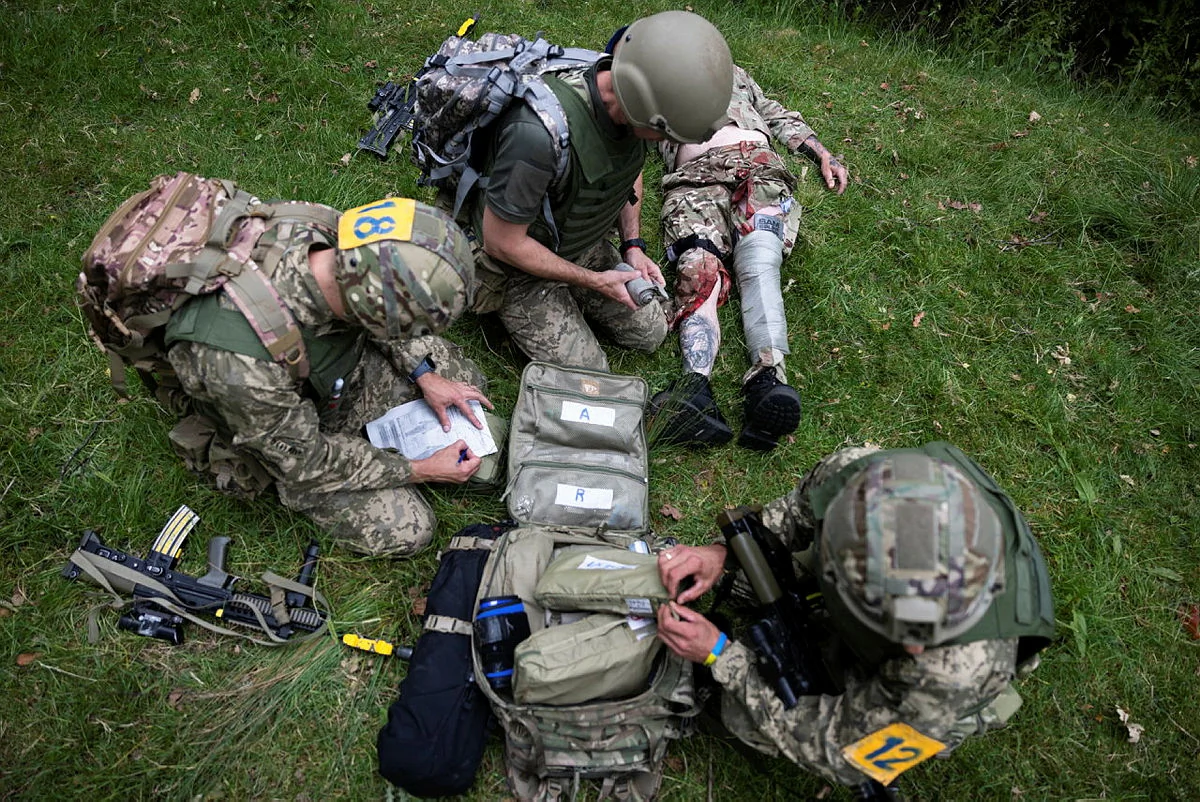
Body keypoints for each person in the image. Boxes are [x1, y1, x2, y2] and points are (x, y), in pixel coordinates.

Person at [654, 443, 1055, 796]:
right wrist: (722, 555)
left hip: (944, 694)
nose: (915, 646)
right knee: (756, 575)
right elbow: (795, 514)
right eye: (903, 626)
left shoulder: (950, 675)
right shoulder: (859, 477)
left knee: (746, 719)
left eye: (925, 633)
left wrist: (723, 657)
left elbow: (840, 752)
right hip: (854, 579)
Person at [163, 197, 493, 557]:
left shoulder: (331, 235)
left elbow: (375, 307)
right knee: (409, 528)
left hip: (328, 369)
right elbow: (307, 462)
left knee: (462, 379)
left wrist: (423, 374)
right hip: (287, 435)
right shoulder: (242, 364)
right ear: (372, 308)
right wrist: (421, 469)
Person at [461, 10, 734, 371]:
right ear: (643, 108)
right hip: (517, 267)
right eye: (665, 134)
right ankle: (509, 307)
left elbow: (628, 166)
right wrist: (594, 282)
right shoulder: (537, 135)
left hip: (578, 239)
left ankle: (574, 286)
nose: (666, 143)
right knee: (593, 374)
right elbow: (502, 242)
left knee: (651, 332)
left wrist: (632, 246)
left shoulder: (629, 106)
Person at [647, 64, 850, 450]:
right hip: (696, 176)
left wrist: (822, 154)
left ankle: (767, 380)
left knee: (759, 263)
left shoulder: (734, 73)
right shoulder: (655, 74)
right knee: (698, 267)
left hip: (758, 165)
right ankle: (695, 389)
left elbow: (775, 113)